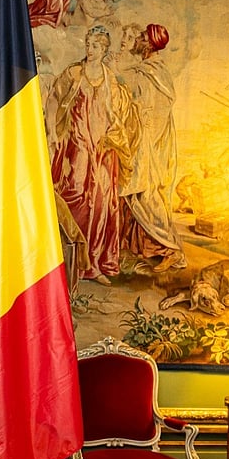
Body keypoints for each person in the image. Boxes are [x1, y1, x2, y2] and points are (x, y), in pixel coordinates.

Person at [46, 25, 140, 284]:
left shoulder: (110, 80)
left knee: (101, 202)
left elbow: (119, 115)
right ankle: (69, 260)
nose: (90, 49)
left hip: (103, 150)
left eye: (95, 46)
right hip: (76, 146)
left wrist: (113, 138)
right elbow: (53, 100)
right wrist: (53, 131)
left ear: (104, 49)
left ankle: (95, 263)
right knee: (75, 195)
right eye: (88, 44)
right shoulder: (74, 73)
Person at [120, 23, 187, 274]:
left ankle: (170, 249)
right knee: (136, 194)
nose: (137, 40)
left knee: (146, 196)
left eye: (140, 37)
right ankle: (143, 249)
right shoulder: (147, 70)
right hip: (143, 138)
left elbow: (151, 110)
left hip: (148, 141)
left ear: (148, 44)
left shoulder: (152, 73)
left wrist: (140, 135)